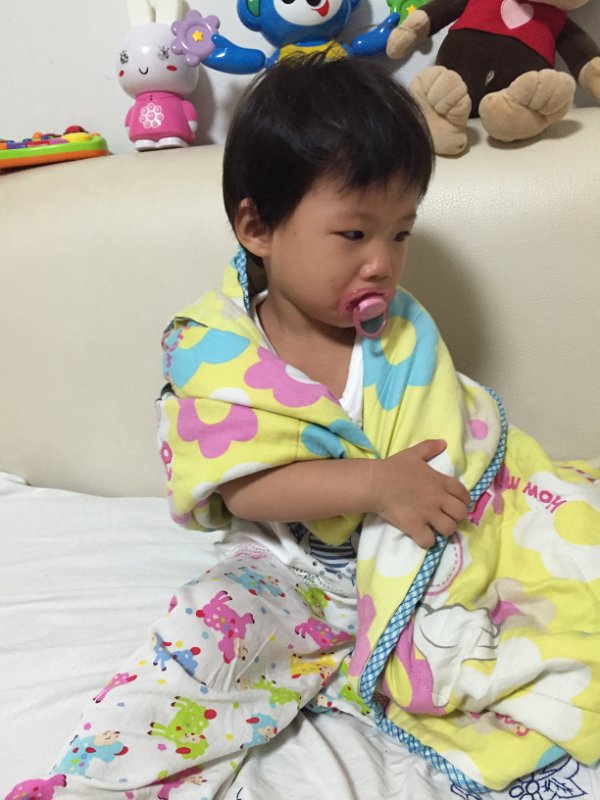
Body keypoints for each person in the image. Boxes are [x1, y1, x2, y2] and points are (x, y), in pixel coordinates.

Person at [7, 54, 599, 800]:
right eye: (353, 233)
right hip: (287, 570)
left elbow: (450, 439)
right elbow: (243, 487)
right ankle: (100, 784)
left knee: (553, 570)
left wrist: (438, 500)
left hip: (409, 558)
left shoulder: (402, 333)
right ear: (258, 227)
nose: (382, 263)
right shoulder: (219, 351)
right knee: (204, 641)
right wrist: (375, 483)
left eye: (401, 232)